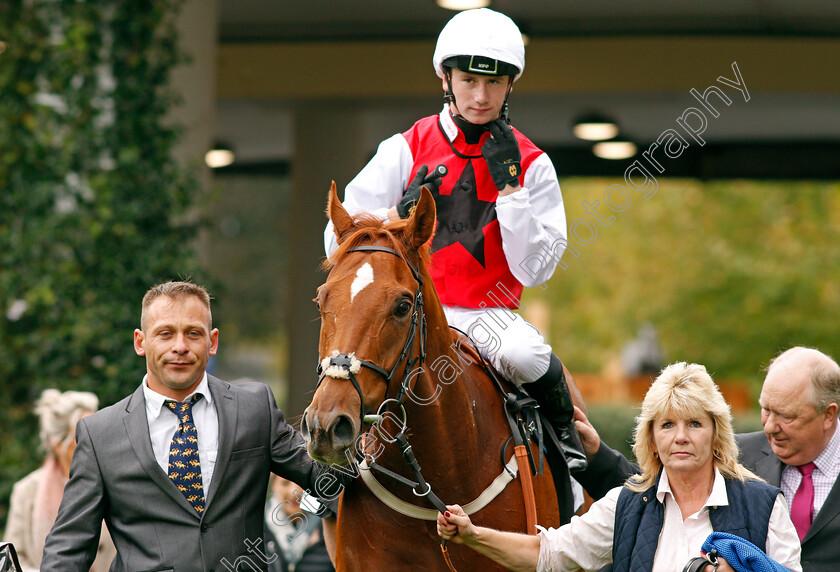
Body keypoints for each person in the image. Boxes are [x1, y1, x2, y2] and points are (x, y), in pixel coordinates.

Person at [323, 7, 585, 471]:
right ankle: (329, 467)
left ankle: (568, 448)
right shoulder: (404, 147)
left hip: (488, 318)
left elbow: (536, 269)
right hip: (407, 312)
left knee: (527, 354)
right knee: (349, 352)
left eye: (494, 83)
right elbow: (335, 240)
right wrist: (393, 216)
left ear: (510, 85)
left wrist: (511, 190)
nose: (481, 97)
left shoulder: (533, 163)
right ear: (446, 79)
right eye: (468, 81)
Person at [41, 281, 340, 571]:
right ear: (140, 342)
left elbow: (325, 475)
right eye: (166, 334)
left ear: (213, 342)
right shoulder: (99, 434)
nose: (180, 347)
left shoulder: (254, 408)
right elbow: (69, 546)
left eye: (193, 333)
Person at [437, 362, 802, 572]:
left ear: (716, 433)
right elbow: (546, 554)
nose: (681, 437)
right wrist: (472, 534)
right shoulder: (625, 505)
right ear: (652, 438)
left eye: (695, 424)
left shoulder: (765, 505)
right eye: (667, 425)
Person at [737, 347, 840, 572]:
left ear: (828, 415)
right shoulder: (735, 458)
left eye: (786, 416)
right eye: (766, 409)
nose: (770, 426)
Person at [3, 389, 116, 572]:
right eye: (86, 435)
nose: (97, 440)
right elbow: (14, 559)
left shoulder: (116, 480)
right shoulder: (26, 491)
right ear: (58, 443)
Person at [264, 475, 334, 572]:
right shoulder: (255, 527)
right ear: (273, 485)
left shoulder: (331, 527)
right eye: (285, 483)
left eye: (301, 484)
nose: (294, 492)